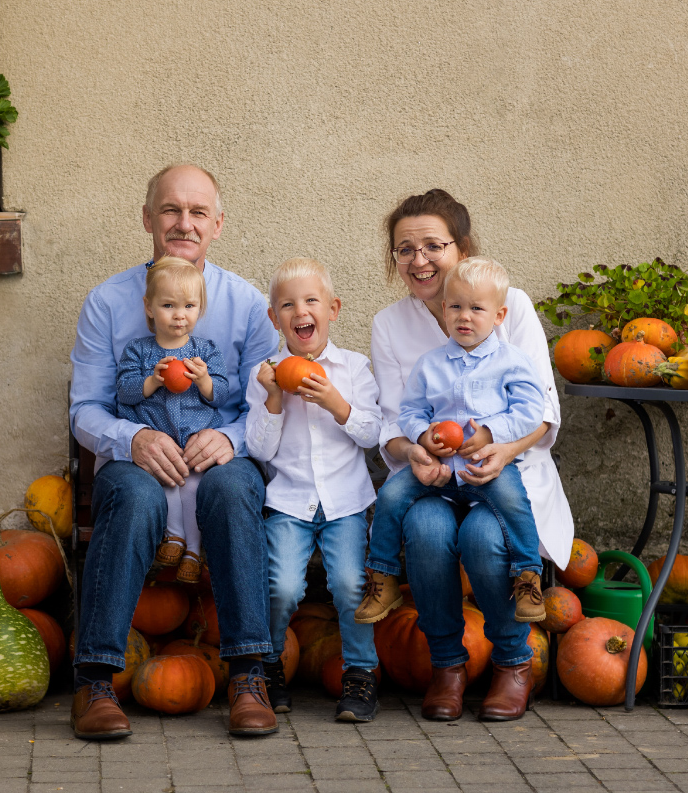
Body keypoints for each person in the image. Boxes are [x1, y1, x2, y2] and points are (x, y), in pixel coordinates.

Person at [69, 165, 280, 740]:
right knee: (134, 499)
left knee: (234, 487)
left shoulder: (247, 304)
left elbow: (266, 404)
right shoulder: (107, 302)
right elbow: (85, 407)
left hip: (218, 457)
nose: (183, 224)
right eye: (170, 210)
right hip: (136, 462)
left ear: (217, 224)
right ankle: (94, 680)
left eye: (196, 213)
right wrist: (130, 439)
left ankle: (248, 672)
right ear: (147, 219)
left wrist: (232, 438)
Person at [367, 189, 573, 722]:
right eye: (404, 249)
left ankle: (511, 661)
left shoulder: (512, 305)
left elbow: (543, 412)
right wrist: (416, 450)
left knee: (483, 536)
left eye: (432, 245)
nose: (419, 260)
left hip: (503, 472)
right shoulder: (391, 324)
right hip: (435, 476)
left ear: (460, 247)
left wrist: (500, 450)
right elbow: (395, 418)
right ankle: (446, 665)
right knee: (431, 532)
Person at [356, 257, 547, 627]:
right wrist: (424, 437)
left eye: (477, 308)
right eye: (456, 306)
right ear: (444, 310)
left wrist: (491, 433)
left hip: (486, 468)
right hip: (441, 471)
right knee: (392, 494)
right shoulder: (429, 365)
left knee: (513, 500)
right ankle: (382, 575)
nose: (465, 316)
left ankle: (527, 576)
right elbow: (408, 412)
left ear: (499, 315)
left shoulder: (512, 362)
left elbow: (531, 411)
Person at [244, 257, 384, 722]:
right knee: (281, 586)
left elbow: (371, 435)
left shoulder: (354, 368)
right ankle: (267, 667)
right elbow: (259, 449)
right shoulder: (265, 374)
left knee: (349, 584)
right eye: (287, 304)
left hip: (345, 503)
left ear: (332, 309)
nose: (300, 311)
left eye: (310, 301)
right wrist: (274, 398)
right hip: (288, 502)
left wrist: (335, 403)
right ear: (274, 318)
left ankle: (361, 674)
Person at [115, 256, 228, 583]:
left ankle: (193, 552)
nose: (180, 314)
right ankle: (175, 536)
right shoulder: (138, 352)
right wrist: (152, 380)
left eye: (189, 305)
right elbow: (124, 391)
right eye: (168, 305)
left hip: (194, 442)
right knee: (165, 483)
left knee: (192, 486)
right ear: (149, 307)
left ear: (200, 308)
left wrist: (205, 380)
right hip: (159, 444)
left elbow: (221, 394)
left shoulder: (205, 352)